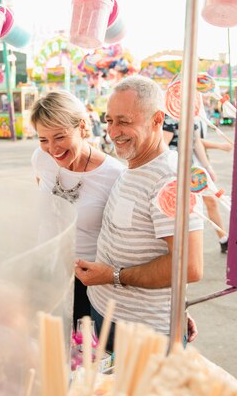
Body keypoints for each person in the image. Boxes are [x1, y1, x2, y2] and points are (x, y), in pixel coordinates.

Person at [75, 76, 203, 349]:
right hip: (111, 316)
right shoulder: (134, 165)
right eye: (109, 120)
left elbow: (188, 266)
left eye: (124, 121)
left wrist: (112, 276)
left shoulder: (170, 179)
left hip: (144, 333)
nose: (113, 131)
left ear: (157, 120)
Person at [30, 90, 123, 327]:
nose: (52, 148)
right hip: (46, 274)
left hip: (87, 282)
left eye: (59, 137)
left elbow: (126, 239)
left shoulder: (114, 175)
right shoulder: (41, 160)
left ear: (82, 126)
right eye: (43, 139)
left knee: (82, 354)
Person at [163, 114, 230, 254]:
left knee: (211, 200)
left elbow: (196, 142)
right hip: (175, 171)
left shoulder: (191, 115)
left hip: (192, 169)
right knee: (182, 210)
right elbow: (163, 146)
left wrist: (208, 168)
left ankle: (224, 239)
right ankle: (177, 250)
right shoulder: (170, 116)